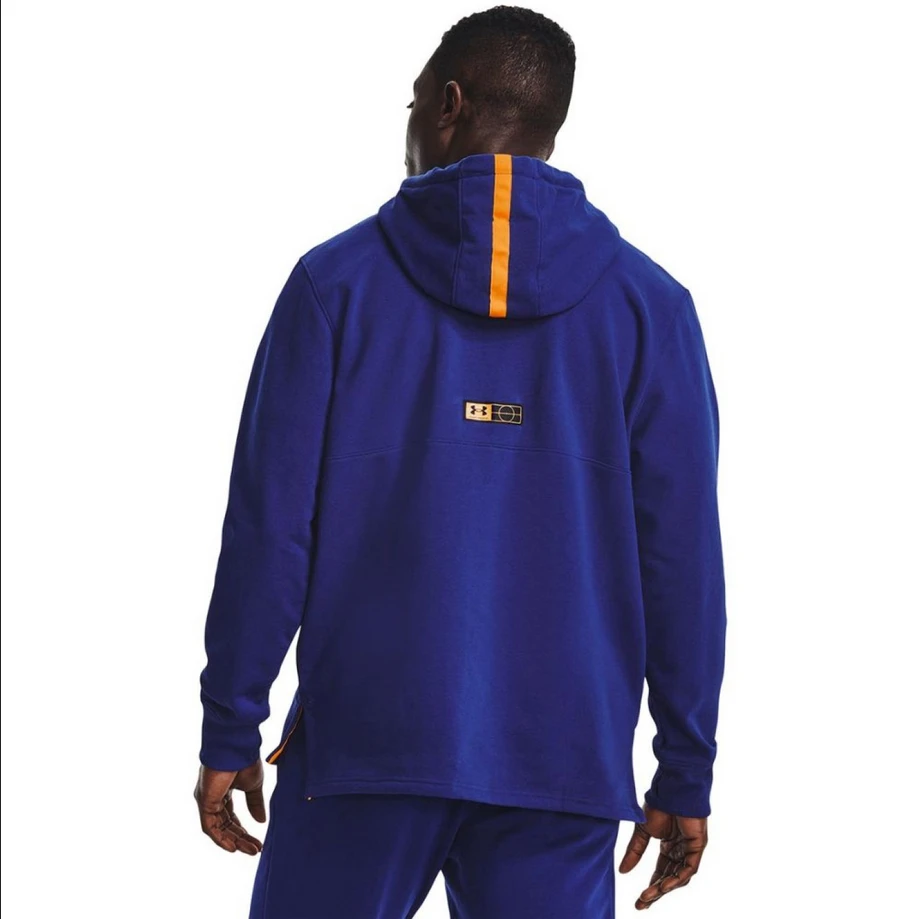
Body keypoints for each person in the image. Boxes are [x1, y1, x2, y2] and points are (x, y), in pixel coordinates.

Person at [193, 6, 727, 917]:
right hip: (561, 758)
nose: (406, 125)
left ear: (447, 104)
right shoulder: (650, 309)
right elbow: (681, 561)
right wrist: (684, 766)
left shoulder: (333, 286)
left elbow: (270, 529)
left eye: (410, 103)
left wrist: (230, 720)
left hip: (363, 748)